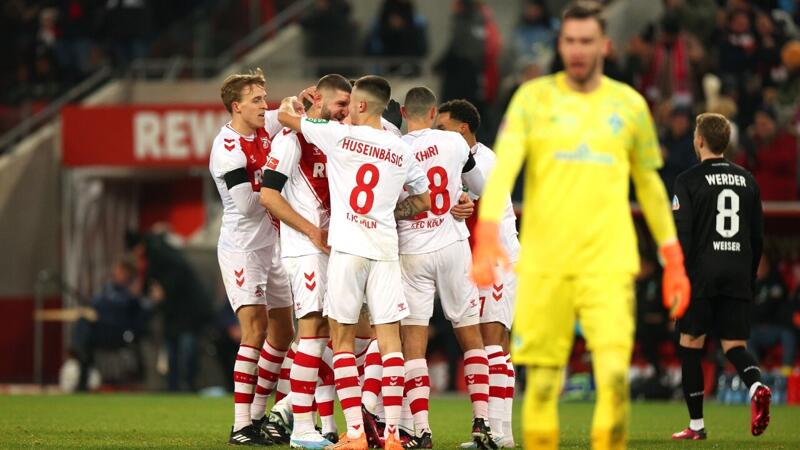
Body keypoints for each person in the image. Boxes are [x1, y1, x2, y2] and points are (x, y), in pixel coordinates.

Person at [469, 2, 692, 449]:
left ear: (604, 45)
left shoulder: (629, 106)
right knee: (545, 383)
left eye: (587, 41)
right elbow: (504, 171)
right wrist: (486, 234)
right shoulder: (532, 100)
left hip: (608, 263)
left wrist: (673, 258)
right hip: (545, 266)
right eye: (569, 40)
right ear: (560, 43)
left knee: (612, 378)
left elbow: (649, 185)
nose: (577, 49)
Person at [277, 75, 430, 450]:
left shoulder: (339, 136)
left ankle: (356, 434)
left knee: (342, 341)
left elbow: (284, 117)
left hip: (346, 249)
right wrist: (391, 211)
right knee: (390, 341)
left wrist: (299, 100)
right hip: (384, 249)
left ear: (360, 105)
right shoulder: (401, 149)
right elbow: (424, 201)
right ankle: (393, 435)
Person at [396, 87, 494, 449]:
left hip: (412, 250)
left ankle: (420, 431)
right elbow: (480, 185)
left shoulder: (396, 147)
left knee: (414, 344)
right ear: (434, 111)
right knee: (470, 336)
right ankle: (481, 424)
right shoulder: (454, 143)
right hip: (453, 245)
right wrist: (465, 198)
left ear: (404, 112)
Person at [260, 73, 353, 449]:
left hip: (331, 248)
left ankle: (295, 413)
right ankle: (301, 427)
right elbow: (268, 195)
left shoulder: (333, 140)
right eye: (340, 104)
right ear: (316, 98)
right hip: (305, 249)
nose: (345, 112)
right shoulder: (290, 139)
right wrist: (312, 231)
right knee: (312, 329)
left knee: (327, 333)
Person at [671, 112, 771, 440]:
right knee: (734, 345)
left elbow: (682, 235)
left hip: (701, 274)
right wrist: (750, 277)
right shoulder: (749, 181)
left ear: (699, 140)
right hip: (738, 272)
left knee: (691, 345)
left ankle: (696, 426)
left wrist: (679, 279)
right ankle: (756, 384)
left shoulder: (687, 180)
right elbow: (757, 238)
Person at [209, 68, 295, 446]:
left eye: (265, 97)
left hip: (272, 245)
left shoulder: (262, 125)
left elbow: (290, 112)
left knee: (285, 332)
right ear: (236, 106)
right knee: (256, 331)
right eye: (258, 100)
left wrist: (306, 99)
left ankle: (262, 416)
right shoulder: (226, 149)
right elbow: (245, 205)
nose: (266, 105)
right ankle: (241, 424)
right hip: (242, 248)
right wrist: (281, 186)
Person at [435, 99, 519, 449]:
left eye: (443, 127)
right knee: (488, 346)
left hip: (496, 258)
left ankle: (499, 432)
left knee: (492, 343)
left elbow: (477, 200)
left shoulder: (482, 159)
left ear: (463, 128)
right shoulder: (457, 160)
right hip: (477, 260)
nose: (438, 134)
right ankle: (498, 433)